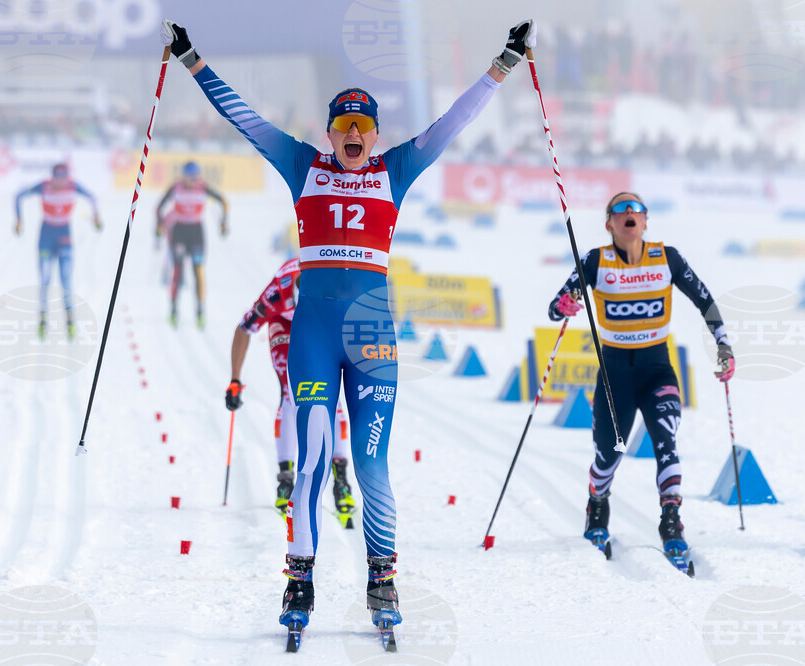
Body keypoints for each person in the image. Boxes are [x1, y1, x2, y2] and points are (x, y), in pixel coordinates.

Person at [163, 17, 535, 635]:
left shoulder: (396, 170)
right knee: (310, 461)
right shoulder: (301, 164)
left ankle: (382, 579)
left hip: (371, 337)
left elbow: (452, 124)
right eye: (344, 127)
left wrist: (504, 63)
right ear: (330, 133)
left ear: (375, 133)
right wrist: (192, 60)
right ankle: (300, 580)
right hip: (312, 333)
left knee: (370, 464)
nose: (354, 135)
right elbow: (245, 118)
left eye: (363, 126)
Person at [547, 192, 734, 562]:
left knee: (666, 439)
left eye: (635, 209)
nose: (628, 213)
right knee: (607, 456)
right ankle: (598, 504)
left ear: (646, 222)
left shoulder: (668, 258)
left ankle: (671, 520)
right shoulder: (595, 261)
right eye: (620, 209)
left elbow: (704, 300)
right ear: (609, 224)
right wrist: (564, 305)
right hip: (615, 375)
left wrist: (724, 345)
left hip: (656, 368)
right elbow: (556, 307)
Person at [225, 257, 356, 527]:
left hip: (324, 321)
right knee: (291, 390)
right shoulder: (277, 294)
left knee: (330, 391)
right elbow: (243, 328)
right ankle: (286, 479)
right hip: (283, 323)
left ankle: (340, 477)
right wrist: (235, 379)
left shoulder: (336, 290)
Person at [14, 163, 101, 340]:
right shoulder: (44, 186)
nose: (60, 183)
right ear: (52, 177)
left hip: (64, 236)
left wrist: (96, 217)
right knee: (45, 279)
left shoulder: (73, 186)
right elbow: (18, 196)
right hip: (46, 236)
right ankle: (43, 320)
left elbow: (93, 197)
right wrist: (19, 220)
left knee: (66, 279)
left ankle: (70, 321)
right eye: (57, 178)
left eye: (63, 178)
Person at [155, 160, 228, 328]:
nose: (193, 180)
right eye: (190, 177)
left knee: (198, 273)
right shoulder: (176, 187)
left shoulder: (203, 187)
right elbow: (159, 206)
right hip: (179, 232)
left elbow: (223, 201)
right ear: (184, 176)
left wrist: (224, 222)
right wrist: (159, 226)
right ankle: (173, 311)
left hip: (196, 233)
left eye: (195, 177)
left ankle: (200, 312)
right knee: (178, 272)